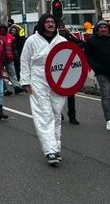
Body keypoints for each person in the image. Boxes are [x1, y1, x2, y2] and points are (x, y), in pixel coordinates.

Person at [20, 14, 67, 166]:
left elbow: (70, 61)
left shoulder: (62, 41)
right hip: (38, 79)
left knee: (56, 114)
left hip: (58, 79)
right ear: (42, 24)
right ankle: (50, 150)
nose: (50, 24)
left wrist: (70, 82)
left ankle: (56, 147)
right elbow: (25, 60)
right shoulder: (32, 41)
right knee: (44, 114)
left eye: (52, 22)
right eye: (47, 22)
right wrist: (26, 82)